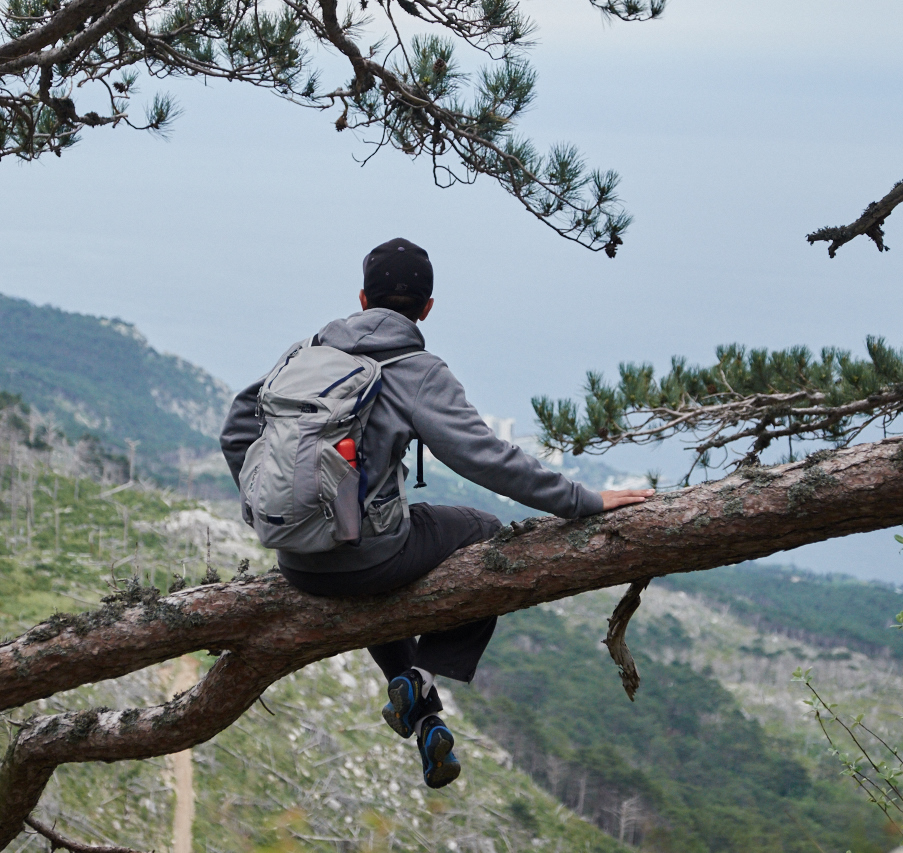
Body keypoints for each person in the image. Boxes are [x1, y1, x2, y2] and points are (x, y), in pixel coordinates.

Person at [220, 238, 652, 789]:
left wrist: (270, 511)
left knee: (371, 568)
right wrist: (583, 501)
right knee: (483, 533)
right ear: (426, 308)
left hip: (295, 563)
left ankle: (423, 715)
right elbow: (486, 458)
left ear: (360, 298)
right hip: (368, 558)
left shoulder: (303, 354)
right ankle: (423, 674)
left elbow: (237, 428)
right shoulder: (416, 369)